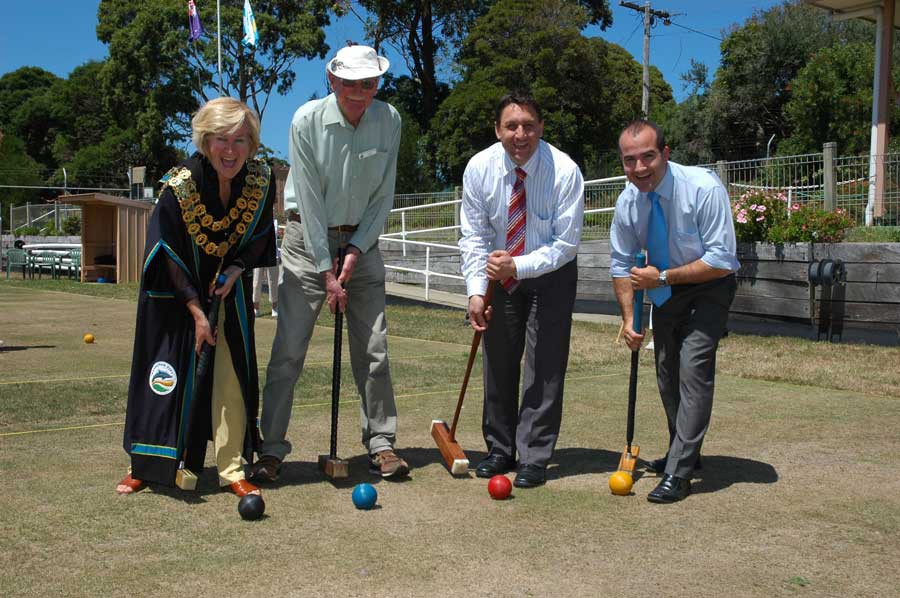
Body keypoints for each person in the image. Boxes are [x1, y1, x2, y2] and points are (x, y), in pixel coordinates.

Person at [251, 44, 408, 482]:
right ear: (333, 81)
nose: (361, 92)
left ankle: (381, 443)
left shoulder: (390, 119)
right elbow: (313, 202)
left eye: (370, 83)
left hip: (363, 241)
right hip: (307, 242)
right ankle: (271, 448)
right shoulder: (306, 121)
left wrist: (356, 250)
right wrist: (326, 269)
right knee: (288, 351)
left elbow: (384, 194)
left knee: (374, 350)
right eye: (351, 83)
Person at [117, 97, 277, 505]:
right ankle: (148, 466)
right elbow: (163, 251)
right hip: (176, 296)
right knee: (167, 377)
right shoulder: (179, 185)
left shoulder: (260, 180)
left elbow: (260, 237)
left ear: (252, 144)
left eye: (240, 140)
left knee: (231, 379)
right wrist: (194, 310)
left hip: (230, 294)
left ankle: (232, 469)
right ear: (205, 141)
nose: (231, 150)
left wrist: (237, 268)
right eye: (221, 139)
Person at [609, 119, 740, 503]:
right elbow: (620, 265)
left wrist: (662, 277)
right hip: (664, 287)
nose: (639, 168)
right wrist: (629, 320)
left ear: (665, 154)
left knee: (693, 367)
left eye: (648, 157)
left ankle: (679, 471)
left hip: (710, 283)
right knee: (666, 374)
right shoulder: (628, 201)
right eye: (630, 160)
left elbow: (722, 259)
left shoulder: (702, 188)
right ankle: (686, 451)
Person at [459, 91, 585, 488]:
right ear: (497, 130)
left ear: (541, 127)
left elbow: (566, 245)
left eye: (529, 125)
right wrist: (477, 290)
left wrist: (519, 264)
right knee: (497, 360)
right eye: (511, 125)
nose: (520, 134)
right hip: (499, 274)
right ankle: (499, 448)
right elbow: (474, 236)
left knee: (545, 365)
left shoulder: (564, 171)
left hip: (553, 273)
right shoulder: (479, 168)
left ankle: (534, 455)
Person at [252, 219, 280, 317]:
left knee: (273, 281)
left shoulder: (275, 222)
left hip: (273, 255)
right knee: (256, 281)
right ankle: (256, 308)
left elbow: (277, 238)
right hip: (258, 255)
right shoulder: (257, 220)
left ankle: (274, 308)